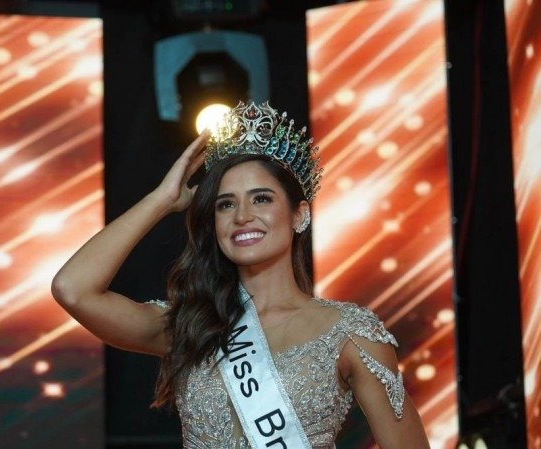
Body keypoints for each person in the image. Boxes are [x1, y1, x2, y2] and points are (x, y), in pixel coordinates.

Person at [51, 101, 430, 448]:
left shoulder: (351, 333)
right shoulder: (191, 325)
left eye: (261, 198)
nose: (242, 216)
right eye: (225, 205)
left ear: (299, 215)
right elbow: (73, 289)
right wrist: (161, 200)